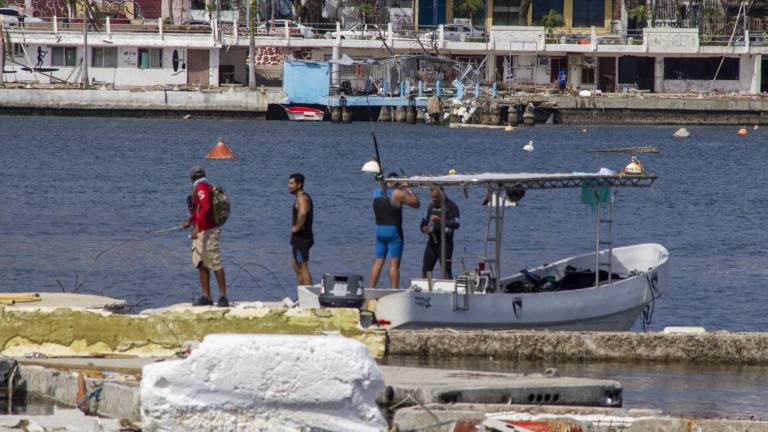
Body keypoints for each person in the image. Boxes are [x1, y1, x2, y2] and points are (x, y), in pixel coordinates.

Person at [181, 166, 228, 307]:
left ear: (192, 178)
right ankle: (206, 296)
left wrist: (196, 227)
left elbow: (206, 207)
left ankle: (223, 296)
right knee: (201, 263)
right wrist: (190, 222)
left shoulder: (201, 187)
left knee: (214, 262)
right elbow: (198, 209)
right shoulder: (204, 185)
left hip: (207, 231)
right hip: (201, 230)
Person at [369, 173, 420, 288]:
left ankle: (371, 289)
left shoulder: (376, 193)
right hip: (393, 231)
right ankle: (394, 291)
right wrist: (408, 188)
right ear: (396, 182)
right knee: (394, 266)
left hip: (379, 230)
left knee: (377, 264)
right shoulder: (398, 194)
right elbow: (416, 203)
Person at [420, 187, 460, 279]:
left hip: (446, 243)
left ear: (442, 194)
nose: (434, 199)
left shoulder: (451, 206)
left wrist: (441, 221)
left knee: (446, 270)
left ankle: (448, 291)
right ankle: (426, 291)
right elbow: (423, 222)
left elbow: (456, 224)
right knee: (426, 269)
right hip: (432, 242)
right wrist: (424, 228)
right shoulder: (431, 206)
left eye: (436, 197)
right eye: (432, 197)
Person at [288, 173, 313, 286]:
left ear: (299, 184)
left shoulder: (302, 197)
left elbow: (303, 213)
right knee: (296, 267)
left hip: (302, 238)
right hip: (298, 238)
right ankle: (301, 296)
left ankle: (309, 297)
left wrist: (297, 227)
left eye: (292, 183)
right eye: (289, 183)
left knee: (303, 267)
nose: (289, 186)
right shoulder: (299, 197)